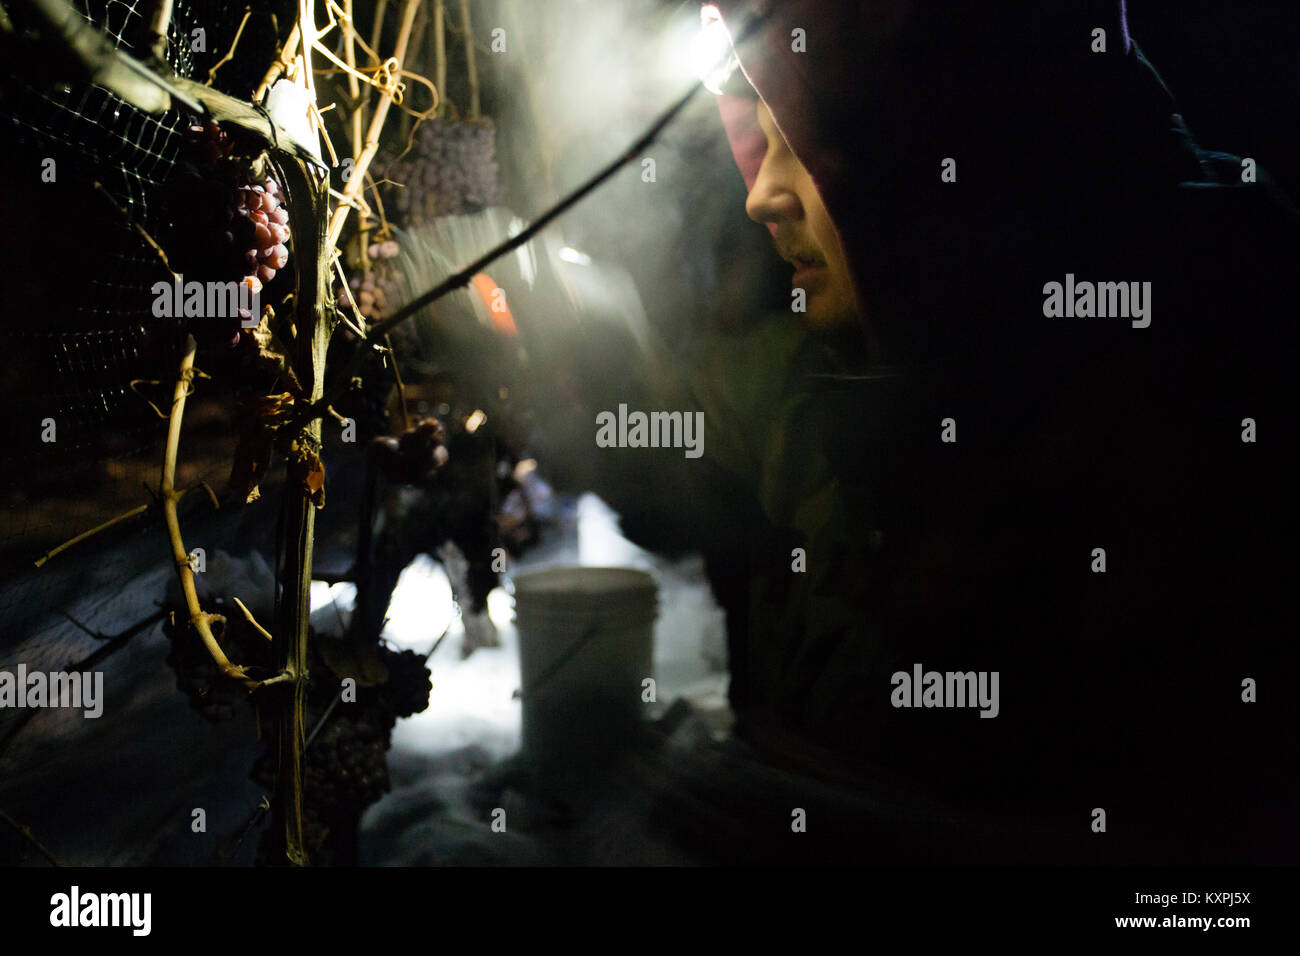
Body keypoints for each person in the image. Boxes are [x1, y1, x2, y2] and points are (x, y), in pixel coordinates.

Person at [559, 0, 1300, 864]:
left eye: (800, 138)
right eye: (753, 137)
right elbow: (686, 472)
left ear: (930, 142)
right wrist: (582, 344)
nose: (760, 193)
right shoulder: (830, 364)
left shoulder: (1210, 366)